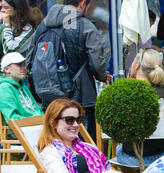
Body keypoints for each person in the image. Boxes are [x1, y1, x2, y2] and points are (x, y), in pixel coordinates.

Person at [27, 0, 110, 139]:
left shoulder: (44, 25)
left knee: (54, 143)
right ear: (83, 3)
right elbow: (97, 64)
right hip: (80, 99)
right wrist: (102, 76)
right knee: (83, 145)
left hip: (49, 97)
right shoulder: (85, 25)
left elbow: (29, 60)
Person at [117, 48, 164, 167]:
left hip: (129, 157)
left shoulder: (122, 90)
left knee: (119, 147)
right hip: (161, 155)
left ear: (137, 65)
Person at [0, 52, 42, 126]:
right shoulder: (4, 88)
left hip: (38, 126)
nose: (24, 68)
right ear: (6, 69)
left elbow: (37, 111)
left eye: (24, 64)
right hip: (23, 132)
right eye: (19, 65)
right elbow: (11, 119)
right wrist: (39, 121)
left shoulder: (23, 86)